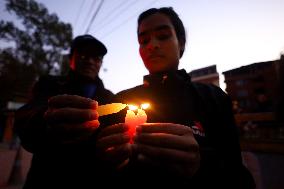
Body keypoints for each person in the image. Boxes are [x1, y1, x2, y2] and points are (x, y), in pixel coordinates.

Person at [95, 7, 255, 188]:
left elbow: (238, 175)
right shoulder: (120, 102)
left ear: (181, 43)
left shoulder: (214, 98)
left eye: (163, 36)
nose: (152, 45)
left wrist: (201, 165)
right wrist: (107, 163)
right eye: (144, 40)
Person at [14, 34, 113, 188]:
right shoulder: (49, 84)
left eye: (96, 57)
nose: (90, 61)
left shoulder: (109, 97)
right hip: (47, 177)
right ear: (70, 58)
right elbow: (25, 117)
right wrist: (45, 122)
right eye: (83, 55)